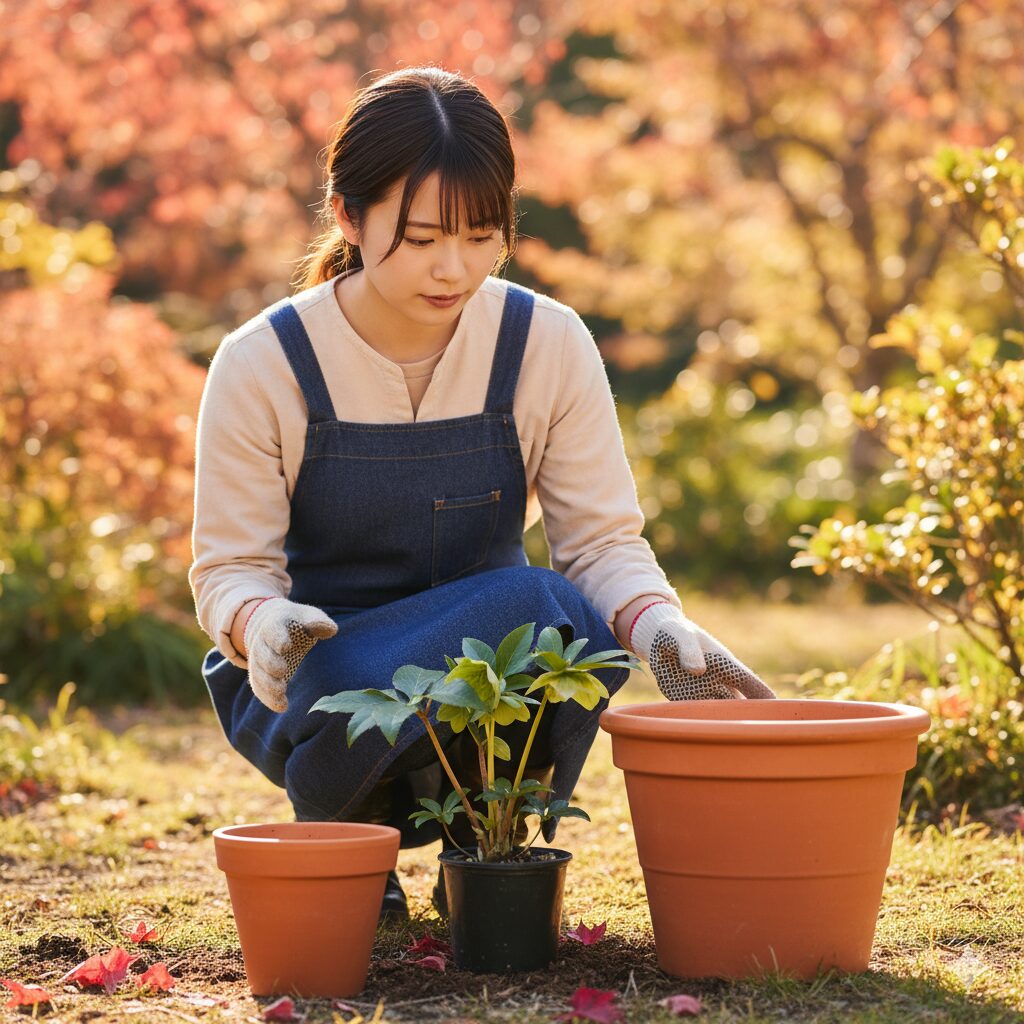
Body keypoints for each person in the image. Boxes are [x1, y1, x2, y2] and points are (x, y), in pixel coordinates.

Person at [189, 64, 776, 925]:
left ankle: (489, 849)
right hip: (329, 682)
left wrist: (659, 630)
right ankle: (347, 838)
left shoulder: (545, 343)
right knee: (537, 600)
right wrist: (262, 626)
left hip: (489, 669)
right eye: (422, 239)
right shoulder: (264, 363)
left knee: (558, 615)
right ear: (348, 215)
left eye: (480, 236)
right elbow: (228, 569)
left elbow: (601, 544)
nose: (453, 269)